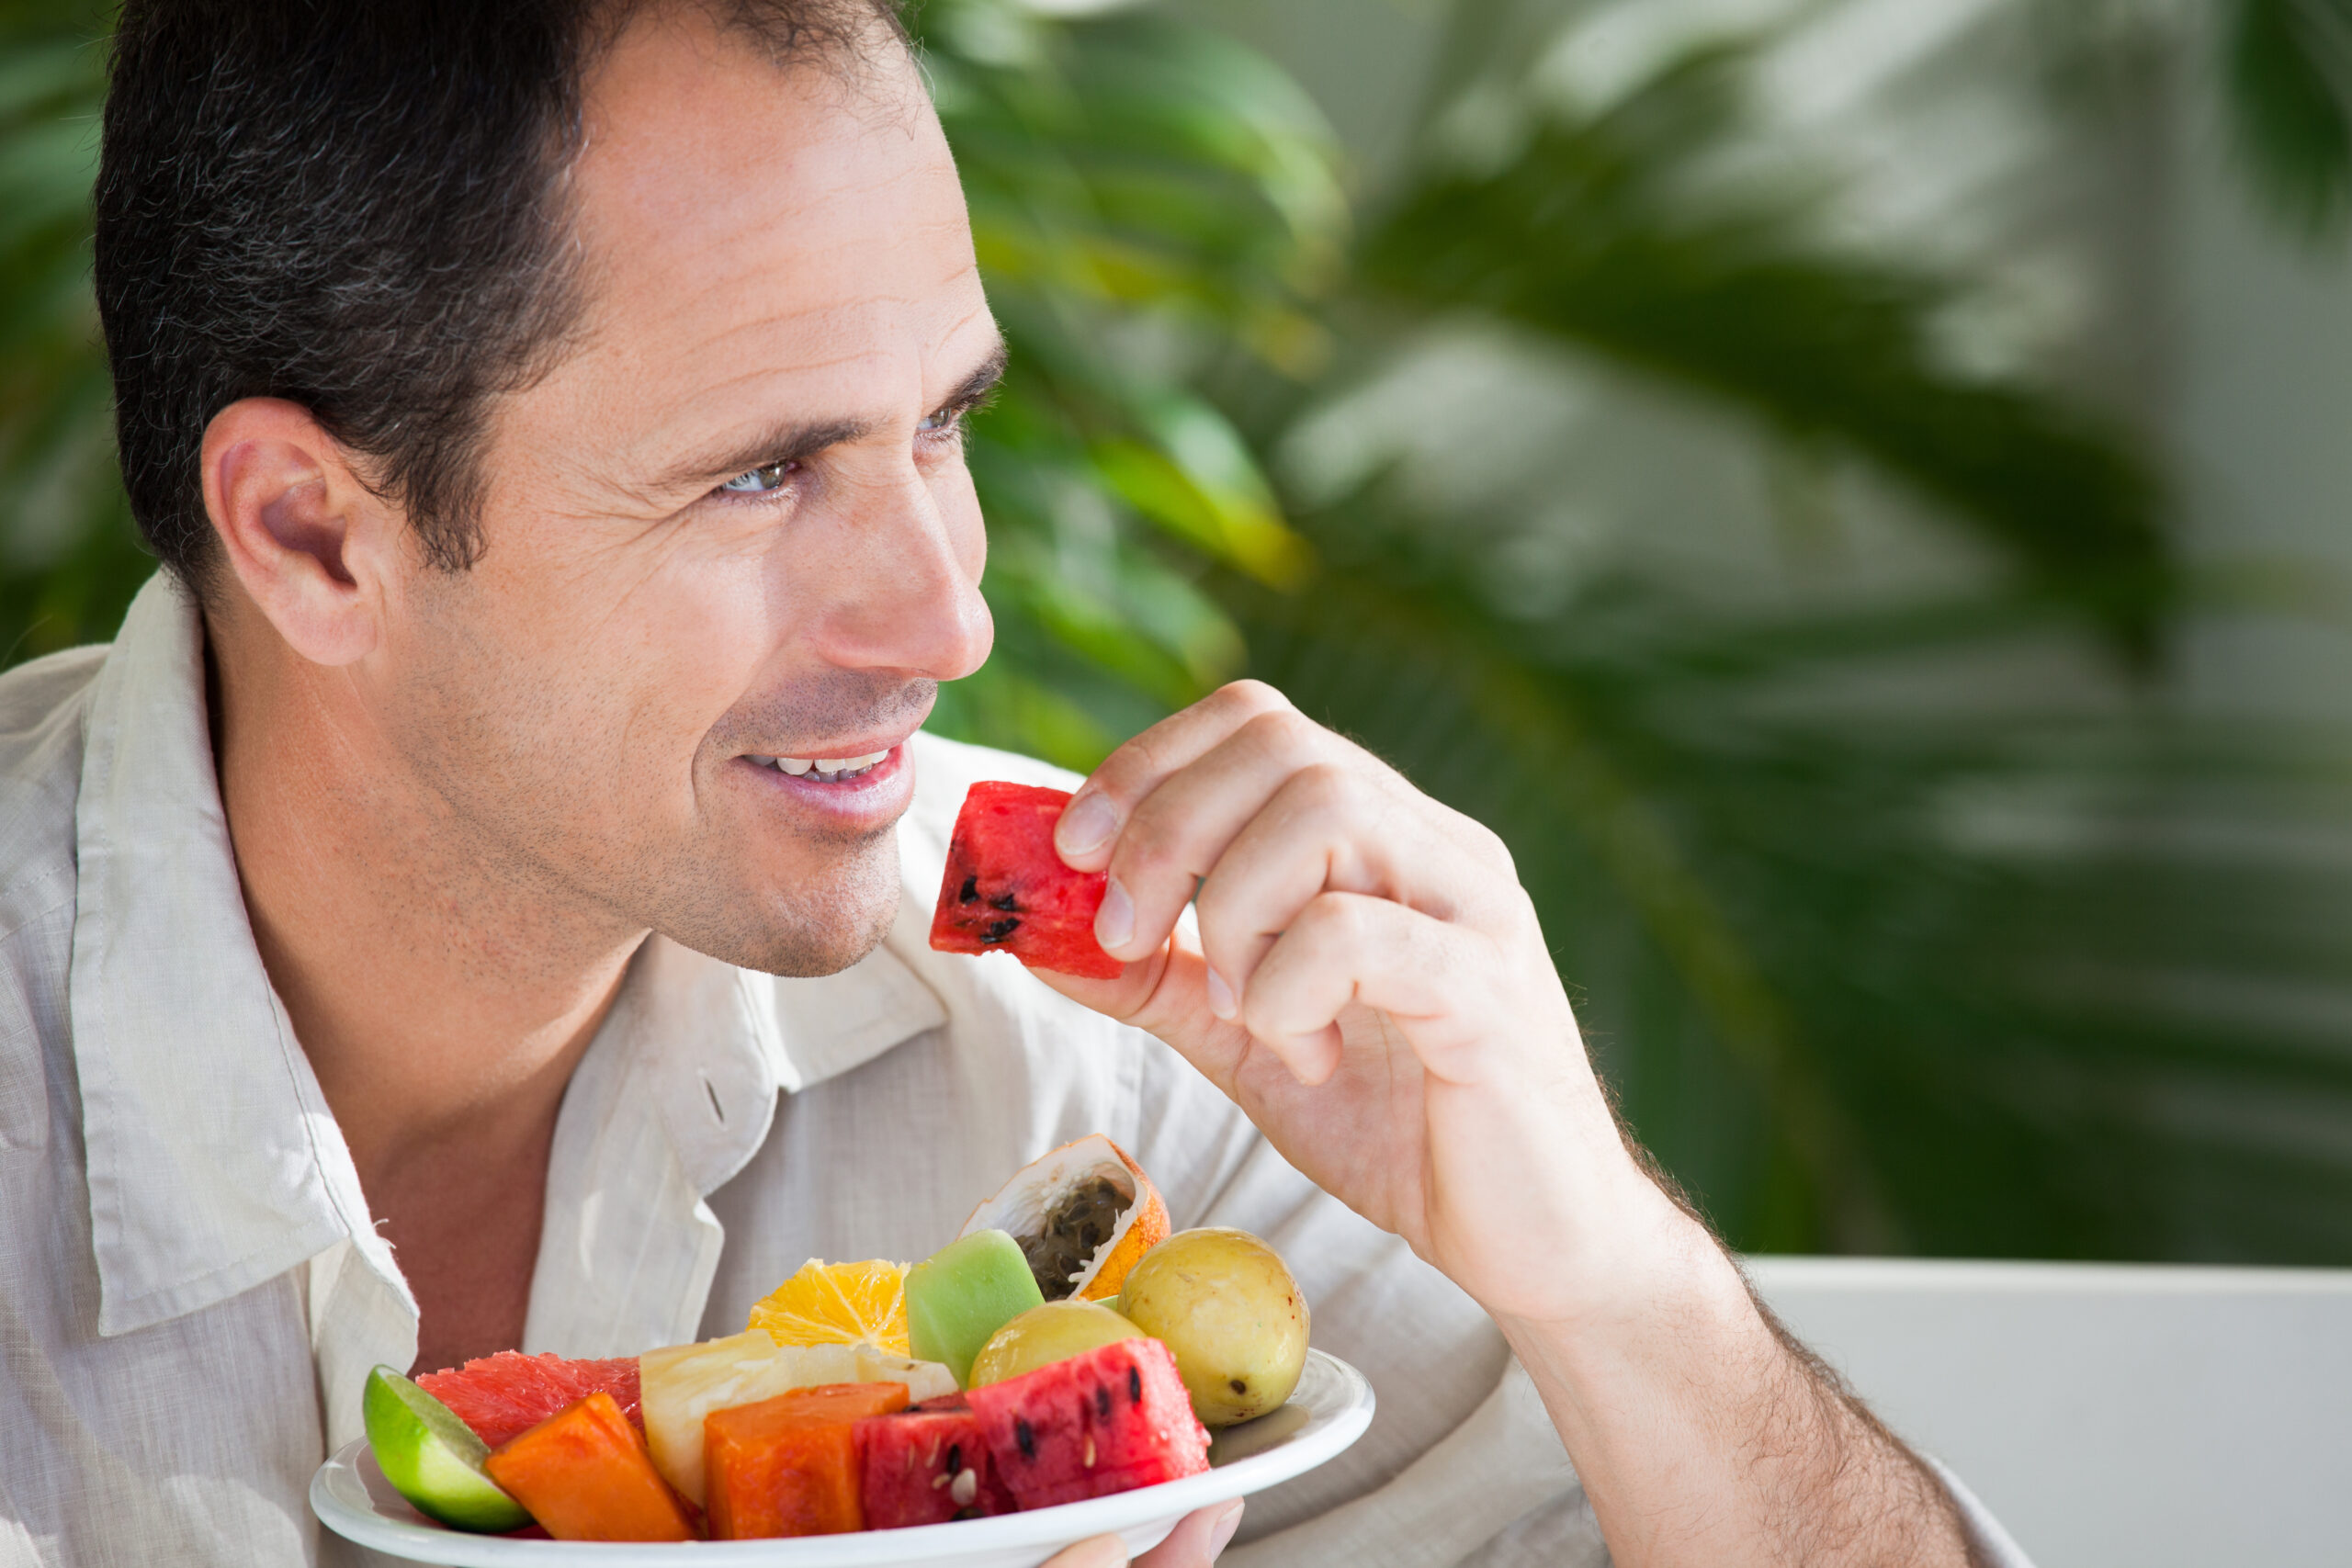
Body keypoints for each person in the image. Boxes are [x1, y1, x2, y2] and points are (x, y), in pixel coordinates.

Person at [0, 1, 2032, 1564]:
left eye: (942, 427)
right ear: (313, 539)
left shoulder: (1113, 1044)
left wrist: (1605, 1266)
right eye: (763, 470)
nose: (948, 616)